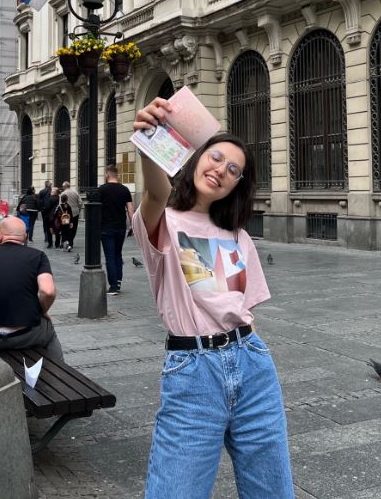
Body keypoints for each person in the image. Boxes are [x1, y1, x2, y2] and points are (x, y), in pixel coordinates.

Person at [131, 97, 294, 499]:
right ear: (197, 159)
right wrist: (149, 142)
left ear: (238, 184)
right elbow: (156, 192)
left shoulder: (238, 236)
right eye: (216, 158)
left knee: (272, 490)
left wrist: (250, 351)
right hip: (193, 370)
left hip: (253, 365)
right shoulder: (164, 222)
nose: (221, 170)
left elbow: (245, 309)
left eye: (233, 170)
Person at [0, 216, 63, 360]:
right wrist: (42, 311)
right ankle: (58, 369)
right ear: (25, 237)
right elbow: (48, 291)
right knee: (48, 332)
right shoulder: (37, 256)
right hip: (27, 334)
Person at [98, 165, 134, 295]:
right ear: (116, 175)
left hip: (106, 227)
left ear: (107, 174)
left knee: (110, 256)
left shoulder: (101, 190)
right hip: (120, 228)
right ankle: (118, 281)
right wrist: (132, 226)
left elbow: (96, 208)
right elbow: (130, 209)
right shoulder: (125, 190)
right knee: (118, 254)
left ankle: (113, 287)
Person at [61, 181, 82, 248]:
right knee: (74, 228)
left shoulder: (63, 194)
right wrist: (78, 209)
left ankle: (66, 242)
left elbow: (60, 204)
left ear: (64, 187)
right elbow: (80, 202)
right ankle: (71, 242)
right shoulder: (75, 192)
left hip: (65, 214)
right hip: (75, 213)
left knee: (66, 228)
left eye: (63, 187)